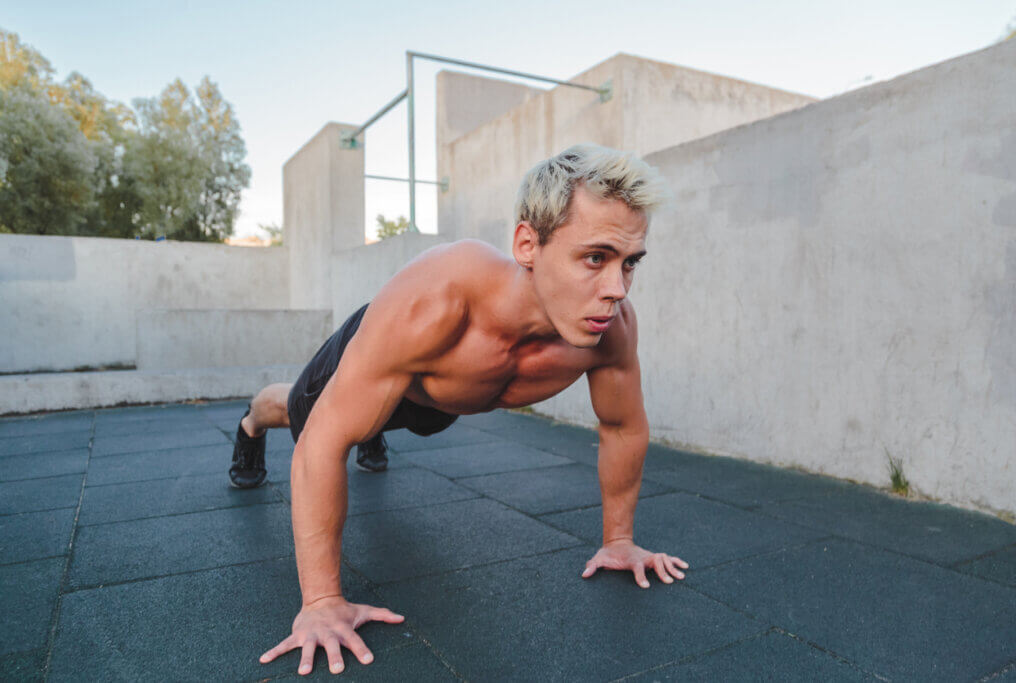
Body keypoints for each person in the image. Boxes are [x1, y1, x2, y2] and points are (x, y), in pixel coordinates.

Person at [232, 143, 690, 676]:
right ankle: (249, 422)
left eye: (629, 263)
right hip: (391, 357)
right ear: (527, 243)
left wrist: (619, 540)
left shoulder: (610, 329)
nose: (616, 289)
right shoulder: (437, 301)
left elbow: (622, 425)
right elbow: (322, 444)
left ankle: (374, 426)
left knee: (379, 419)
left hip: (444, 398)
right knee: (299, 414)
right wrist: (320, 602)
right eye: (595, 257)